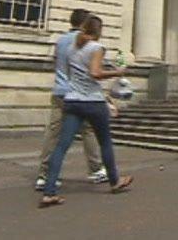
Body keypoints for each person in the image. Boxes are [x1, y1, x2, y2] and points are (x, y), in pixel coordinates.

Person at [40, 15, 133, 208]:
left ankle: (49, 191)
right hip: (93, 101)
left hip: (72, 100)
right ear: (98, 30)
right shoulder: (97, 48)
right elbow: (95, 73)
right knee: (105, 142)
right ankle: (115, 181)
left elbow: (67, 73)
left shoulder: (71, 48)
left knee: (61, 147)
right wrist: (118, 72)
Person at [35, 9, 108, 190]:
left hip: (59, 91)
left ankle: (44, 174)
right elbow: (89, 71)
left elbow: (57, 64)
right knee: (88, 131)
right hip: (80, 94)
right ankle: (96, 169)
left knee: (53, 133)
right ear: (85, 24)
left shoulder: (60, 41)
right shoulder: (86, 42)